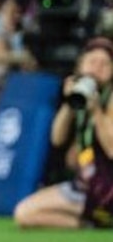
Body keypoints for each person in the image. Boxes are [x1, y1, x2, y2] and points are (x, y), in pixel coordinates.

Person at [14, 38, 113, 229]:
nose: (97, 68)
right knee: (24, 214)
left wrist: (97, 112)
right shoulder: (82, 95)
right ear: (81, 65)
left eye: (105, 64)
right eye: (92, 62)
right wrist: (70, 104)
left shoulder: (109, 98)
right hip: (87, 184)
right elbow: (57, 138)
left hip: (106, 187)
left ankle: (98, 216)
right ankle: (92, 222)